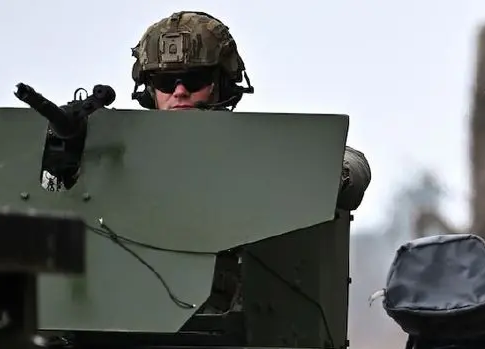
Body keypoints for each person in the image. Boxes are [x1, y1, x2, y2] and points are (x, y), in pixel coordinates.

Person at [129, 11, 372, 212]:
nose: (179, 91)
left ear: (222, 83)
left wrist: (330, 175)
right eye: (165, 82)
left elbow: (354, 164)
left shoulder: (257, 148)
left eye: (194, 80)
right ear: (150, 89)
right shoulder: (123, 150)